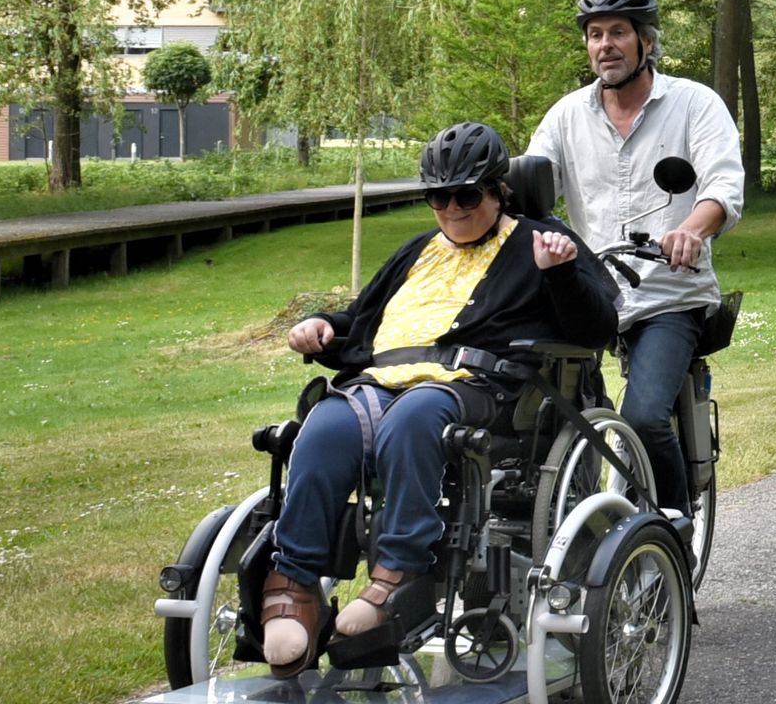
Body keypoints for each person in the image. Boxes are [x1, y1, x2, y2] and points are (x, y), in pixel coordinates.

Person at [262, 123, 620, 675]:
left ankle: (396, 578)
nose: (451, 208)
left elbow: (597, 326)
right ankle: (296, 584)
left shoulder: (540, 242)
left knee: (415, 416)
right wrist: (322, 328)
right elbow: (362, 319)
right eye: (437, 196)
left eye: (466, 195)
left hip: (476, 390)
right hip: (377, 382)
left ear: (498, 190)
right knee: (325, 428)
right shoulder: (418, 250)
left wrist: (561, 273)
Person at [524, 0, 745, 523]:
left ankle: (671, 526)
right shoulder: (566, 116)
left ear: (647, 42)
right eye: (595, 34)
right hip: (587, 293)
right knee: (533, 412)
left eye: (618, 32)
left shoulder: (695, 105)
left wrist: (692, 228)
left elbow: (723, 187)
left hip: (668, 294)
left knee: (645, 419)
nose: (605, 45)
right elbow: (532, 185)